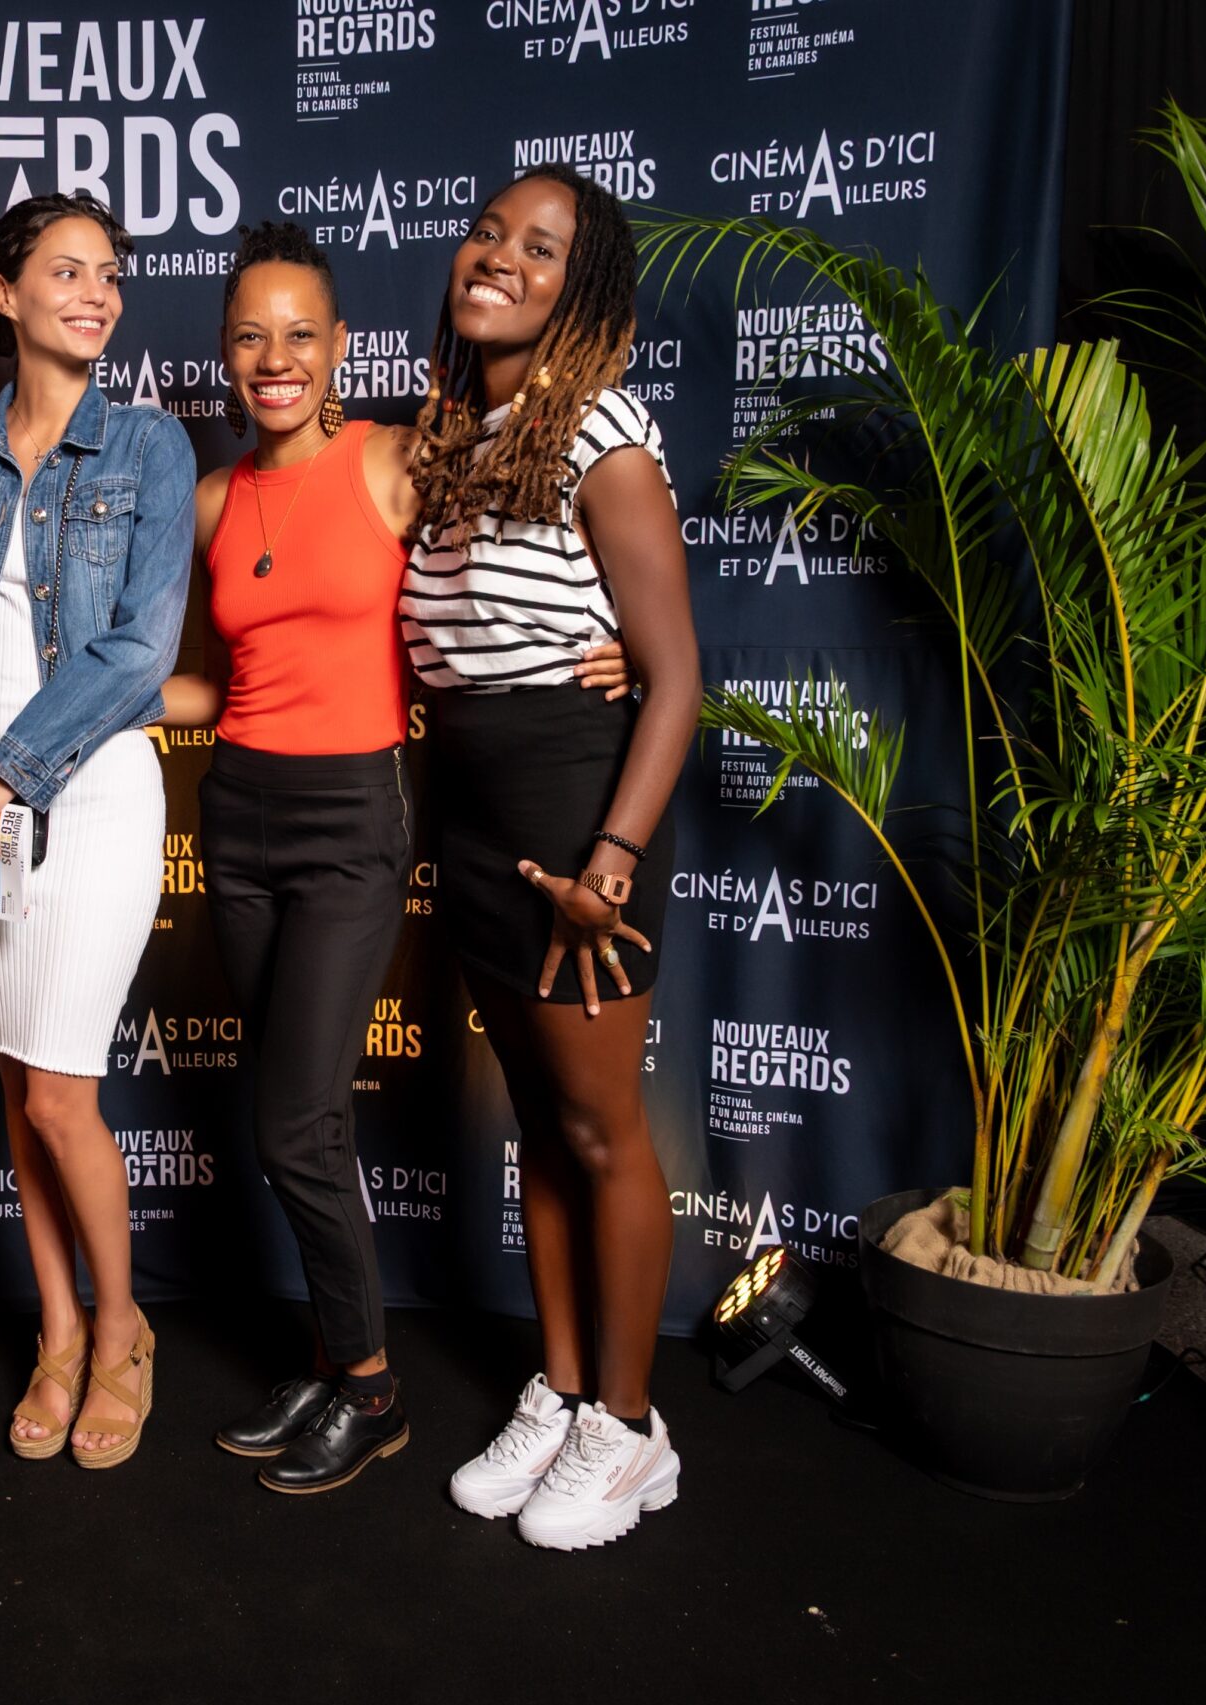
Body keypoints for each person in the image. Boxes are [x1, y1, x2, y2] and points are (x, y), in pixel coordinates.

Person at [157, 222, 632, 1495]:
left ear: (338, 346)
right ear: (225, 355)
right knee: (299, 1113)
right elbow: (216, 684)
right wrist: (73, 707)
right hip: (236, 817)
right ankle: (330, 1358)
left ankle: (371, 1392)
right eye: (249, 336)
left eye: (298, 334)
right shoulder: (212, 500)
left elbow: (544, 533)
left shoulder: (399, 458)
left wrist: (627, 641)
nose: (274, 358)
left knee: (291, 1119)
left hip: (350, 822)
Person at [397, 166, 700, 1552]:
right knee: (538, 1120)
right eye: (487, 233)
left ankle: (630, 1429)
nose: (499, 257)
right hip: (472, 812)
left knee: (598, 1128)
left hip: (579, 819)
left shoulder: (604, 436)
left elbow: (674, 674)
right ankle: (565, 1387)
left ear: (583, 294)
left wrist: (613, 860)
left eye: (540, 248)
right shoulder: (453, 442)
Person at [0, 192, 194, 1469]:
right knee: (21, 1085)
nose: (96, 293)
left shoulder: (150, 446)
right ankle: (57, 1330)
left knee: (64, 1088)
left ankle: (122, 1327)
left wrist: (6, 773)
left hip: (89, 789)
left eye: (109, 274)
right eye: (66, 271)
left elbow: (139, 653)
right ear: (6, 294)